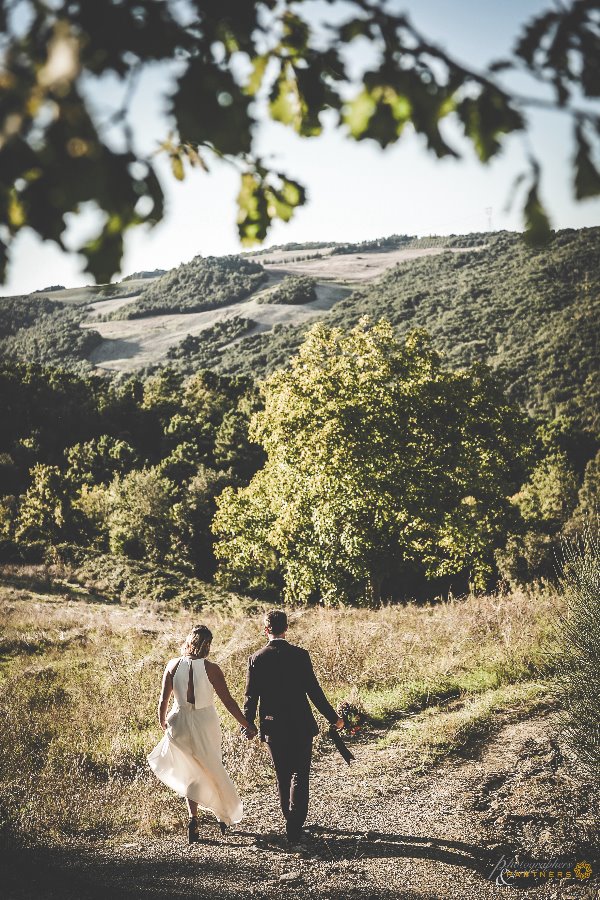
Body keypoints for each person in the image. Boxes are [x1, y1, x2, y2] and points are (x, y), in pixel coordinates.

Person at [147, 624, 257, 844]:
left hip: (179, 721)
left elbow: (163, 700)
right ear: (207, 646)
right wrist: (247, 724)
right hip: (205, 722)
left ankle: (193, 818)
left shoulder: (172, 665)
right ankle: (223, 815)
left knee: (190, 772)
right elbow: (228, 701)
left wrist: (162, 721)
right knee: (212, 766)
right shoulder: (211, 669)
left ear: (189, 641)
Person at [243, 610, 344, 845]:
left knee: (282, 775)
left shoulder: (256, 658)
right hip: (300, 724)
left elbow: (250, 697)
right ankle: (294, 826)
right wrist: (334, 718)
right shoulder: (301, 655)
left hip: (272, 726)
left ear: (266, 630)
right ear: (286, 629)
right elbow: (314, 692)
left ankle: (290, 818)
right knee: (300, 774)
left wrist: (248, 725)